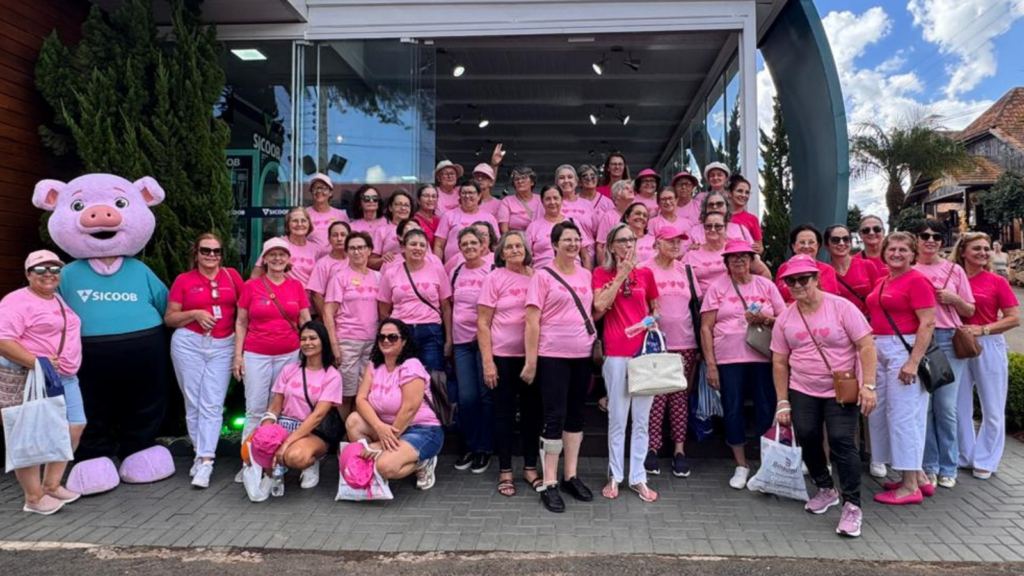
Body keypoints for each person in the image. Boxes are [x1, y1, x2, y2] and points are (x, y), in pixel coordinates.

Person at [771, 254, 878, 538]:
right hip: (803, 387)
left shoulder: (841, 308)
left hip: (840, 387)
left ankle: (852, 505)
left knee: (843, 441)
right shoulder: (785, 317)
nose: (796, 285)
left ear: (816, 279)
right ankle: (825, 488)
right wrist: (782, 401)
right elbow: (780, 361)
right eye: (790, 281)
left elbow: (866, 346)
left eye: (803, 279)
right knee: (806, 435)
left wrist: (868, 385)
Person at [0, 250, 85, 514]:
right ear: (28, 274)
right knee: (29, 436)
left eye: (54, 269)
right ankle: (33, 498)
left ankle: (51, 485)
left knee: (75, 425)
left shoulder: (57, 299)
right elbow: (3, 340)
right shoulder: (16, 301)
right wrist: (36, 361)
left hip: (63, 377)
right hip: (28, 377)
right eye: (40, 269)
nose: (48, 274)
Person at [522, 221, 596, 513]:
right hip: (552, 355)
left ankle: (571, 476)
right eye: (567, 239)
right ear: (554, 244)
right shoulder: (542, 276)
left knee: (576, 416)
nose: (573, 244)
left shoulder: (586, 275)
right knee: (554, 416)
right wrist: (531, 361)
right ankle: (549, 482)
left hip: (582, 354)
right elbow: (531, 321)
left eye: (577, 239)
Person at [700, 239, 785, 490]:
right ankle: (741, 464)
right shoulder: (717, 288)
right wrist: (711, 365)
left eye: (744, 256)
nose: (739, 260)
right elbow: (706, 328)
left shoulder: (766, 285)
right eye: (733, 257)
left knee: (765, 407)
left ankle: (766, 462)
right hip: (728, 358)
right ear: (726, 262)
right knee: (732, 408)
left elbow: (784, 318)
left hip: (762, 357)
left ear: (752, 260)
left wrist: (765, 319)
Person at [164, 234, 244, 488]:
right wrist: (194, 313)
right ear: (196, 253)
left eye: (217, 251)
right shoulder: (184, 280)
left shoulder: (231, 276)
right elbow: (170, 318)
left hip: (223, 343)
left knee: (212, 401)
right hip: (189, 343)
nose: (212, 256)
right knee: (193, 401)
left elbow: (245, 312)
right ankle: (201, 455)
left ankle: (206, 460)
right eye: (206, 251)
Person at [865, 232, 937, 505]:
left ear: (913, 254)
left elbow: (927, 323)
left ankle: (909, 488)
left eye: (903, 249)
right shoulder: (885, 280)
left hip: (903, 349)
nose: (896, 253)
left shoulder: (917, 280)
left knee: (905, 416)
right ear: (883, 253)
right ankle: (917, 476)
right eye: (891, 249)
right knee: (884, 413)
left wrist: (913, 361)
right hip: (881, 349)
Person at [593, 223, 661, 502]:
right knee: (618, 418)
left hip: (644, 353)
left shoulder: (646, 273)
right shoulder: (601, 273)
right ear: (610, 246)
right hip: (617, 353)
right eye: (621, 241)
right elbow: (598, 309)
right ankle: (615, 474)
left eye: (631, 240)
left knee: (642, 420)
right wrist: (620, 275)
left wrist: (653, 317)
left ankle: (638, 477)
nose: (627, 245)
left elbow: (655, 305)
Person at [234, 238, 312, 456]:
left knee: (282, 408)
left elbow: (305, 320)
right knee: (255, 409)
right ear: (265, 258)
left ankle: (275, 459)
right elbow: (241, 322)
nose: (277, 258)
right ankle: (249, 459)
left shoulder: (296, 286)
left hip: (289, 354)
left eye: (282, 254)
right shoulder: (251, 286)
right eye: (272, 254)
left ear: (288, 259)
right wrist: (237, 356)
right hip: (256, 354)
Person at [346, 318, 445, 490]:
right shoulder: (374, 365)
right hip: (388, 427)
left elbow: (410, 408)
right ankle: (379, 459)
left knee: (384, 467)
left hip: (421, 429)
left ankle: (423, 462)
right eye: (381, 337)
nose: (386, 341)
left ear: (404, 341)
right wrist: (379, 427)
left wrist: (382, 443)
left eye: (392, 337)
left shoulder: (411, 365)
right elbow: (360, 399)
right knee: (353, 420)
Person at [478, 231, 542, 496]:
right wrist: (488, 361)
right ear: (501, 253)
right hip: (503, 357)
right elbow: (482, 322)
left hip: (532, 357)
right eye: (510, 246)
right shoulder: (494, 278)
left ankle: (529, 467)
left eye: (519, 246)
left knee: (532, 414)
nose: (515, 250)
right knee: (503, 414)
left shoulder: (537, 277)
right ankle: (505, 470)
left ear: (526, 250)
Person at [913, 220, 975, 489]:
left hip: (949, 339)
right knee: (924, 407)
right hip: (919, 341)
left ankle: (948, 465)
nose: (931, 240)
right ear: (916, 239)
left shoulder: (954, 270)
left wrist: (954, 299)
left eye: (936, 236)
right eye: (925, 235)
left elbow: (970, 310)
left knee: (946, 406)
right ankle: (930, 465)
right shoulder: (909, 270)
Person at [953, 232, 1020, 479]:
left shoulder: (996, 281)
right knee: (959, 406)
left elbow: (1014, 318)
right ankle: (965, 454)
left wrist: (984, 328)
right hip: (958, 344)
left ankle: (987, 458)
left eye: (985, 248)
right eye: (976, 248)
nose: (983, 252)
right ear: (963, 252)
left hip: (988, 343)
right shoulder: (954, 278)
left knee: (992, 405)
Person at [640, 227, 700, 478]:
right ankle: (651, 448)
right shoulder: (645, 268)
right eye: (671, 241)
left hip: (685, 342)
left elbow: (695, 304)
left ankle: (679, 450)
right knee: (655, 399)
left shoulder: (686, 270)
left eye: (680, 241)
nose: (676, 245)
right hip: (655, 343)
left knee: (678, 398)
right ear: (657, 243)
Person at [256, 321, 343, 492]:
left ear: (323, 342)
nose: (307, 343)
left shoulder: (332, 376)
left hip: (314, 430)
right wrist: (264, 434)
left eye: (313, 338)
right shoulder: (290, 370)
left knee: (295, 456)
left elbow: (318, 415)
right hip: (285, 425)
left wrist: (287, 442)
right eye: (303, 339)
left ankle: (311, 461)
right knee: (259, 440)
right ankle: (270, 474)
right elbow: (275, 406)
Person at [377, 229, 453, 380]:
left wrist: (449, 339)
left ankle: (432, 405)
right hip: (401, 332)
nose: (418, 248)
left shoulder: (437, 270)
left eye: (422, 245)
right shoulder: (391, 273)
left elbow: (445, 307)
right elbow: (384, 309)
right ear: (403, 247)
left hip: (431, 330)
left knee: (433, 377)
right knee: (402, 376)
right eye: (413, 244)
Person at [450, 228, 495, 474]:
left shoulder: (491, 271)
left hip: (484, 342)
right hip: (460, 342)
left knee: (486, 395)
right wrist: (448, 339)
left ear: (483, 246)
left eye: (473, 243)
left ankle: (484, 449)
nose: (469, 247)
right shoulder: (455, 271)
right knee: (467, 398)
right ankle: (469, 444)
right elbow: (448, 305)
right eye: (464, 243)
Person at [323, 231, 381, 422]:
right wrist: (334, 346)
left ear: (369, 250)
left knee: (365, 393)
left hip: (372, 342)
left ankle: (356, 435)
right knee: (346, 393)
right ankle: (344, 434)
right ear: (347, 252)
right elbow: (328, 312)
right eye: (352, 248)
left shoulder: (378, 277)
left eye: (361, 247)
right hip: (347, 340)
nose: (357, 252)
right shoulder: (340, 277)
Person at [526, 184, 594, 271]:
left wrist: (587, 278)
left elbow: (585, 256)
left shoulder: (573, 223)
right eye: (548, 199)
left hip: (572, 276)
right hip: (543, 276)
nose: (552, 202)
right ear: (542, 202)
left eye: (555, 198)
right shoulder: (533, 227)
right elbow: (527, 259)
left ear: (562, 200)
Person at [253, 207, 322, 289]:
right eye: (295, 221)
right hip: (282, 297)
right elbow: (255, 275)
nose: (299, 224)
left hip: (308, 299)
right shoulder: (277, 244)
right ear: (287, 224)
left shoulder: (316, 249)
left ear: (309, 224)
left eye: (303, 221)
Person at [433, 182, 500, 263]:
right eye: (464, 193)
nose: (467, 196)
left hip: (483, 267)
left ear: (479, 196)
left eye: (471, 193)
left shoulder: (489, 218)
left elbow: (496, 245)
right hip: (453, 266)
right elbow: (439, 245)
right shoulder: (448, 215)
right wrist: (438, 265)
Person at [825, 224, 880, 316]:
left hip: (867, 324)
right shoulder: (825, 272)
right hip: (839, 325)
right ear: (826, 245)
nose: (841, 243)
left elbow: (879, 297)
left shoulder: (867, 265)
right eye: (835, 240)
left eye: (846, 239)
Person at [775, 224, 840, 303]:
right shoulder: (784, 268)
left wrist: (790, 306)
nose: (806, 246)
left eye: (811, 242)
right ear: (793, 246)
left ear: (817, 246)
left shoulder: (827, 270)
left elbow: (829, 301)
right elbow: (776, 298)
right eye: (802, 242)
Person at [308, 221, 350, 317]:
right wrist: (328, 319)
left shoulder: (356, 259)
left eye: (343, 235)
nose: (339, 239)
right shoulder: (323, 263)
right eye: (335, 235)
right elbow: (316, 295)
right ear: (329, 239)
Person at [685, 191, 753, 249]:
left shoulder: (741, 229)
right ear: (705, 209)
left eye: (719, 204)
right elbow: (681, 257)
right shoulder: (693, 231)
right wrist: (690, 249)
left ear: (727, 207)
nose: (715, 207)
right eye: (711, 205)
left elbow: (754, 257)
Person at [595, 180, 638, 264]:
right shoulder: (608, 217)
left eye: (631, 188)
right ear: (616, 195)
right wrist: (603, 268)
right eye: (626, 188)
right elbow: (601, 246)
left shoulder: (637, 214)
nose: (631, 190)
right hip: (615, 263)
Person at [369, 190, 415, 270]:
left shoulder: (417, 229)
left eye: (407, 205)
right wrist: (382, 260)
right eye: (398, 204)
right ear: (390, 207)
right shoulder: (381, 231)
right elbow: (369, 262)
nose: (403, 208)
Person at [306, 173, 349, 248]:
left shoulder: (341, 215)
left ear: (331, 193)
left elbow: (348, 240)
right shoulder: (305, 214)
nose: (319, 191)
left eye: (323, 188)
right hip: (311, 258)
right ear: (311, 192)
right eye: (315, 188)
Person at [557, 164, 597, 239]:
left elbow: (596, 232)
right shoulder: (552, 204)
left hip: (588, 249)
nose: (566, 180)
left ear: (576, 182)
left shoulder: (587, 204)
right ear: (557, 183)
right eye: (562, 178)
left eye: (570, 177)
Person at [497, 166, 541, 233]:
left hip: (538, 238)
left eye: (524, 178)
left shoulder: (541, 200)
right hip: (516, 240)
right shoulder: (507, 201)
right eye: (516, 179)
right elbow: (504, 229)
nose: (520, 181)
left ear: (532, 182)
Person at [728, 176, 763, 254]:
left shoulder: (752, 219)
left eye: (747, 192)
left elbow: (760, 248)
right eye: (740, 191)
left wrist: (757, 249)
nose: (744, 195)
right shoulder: (720, 217)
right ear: (730, 193)